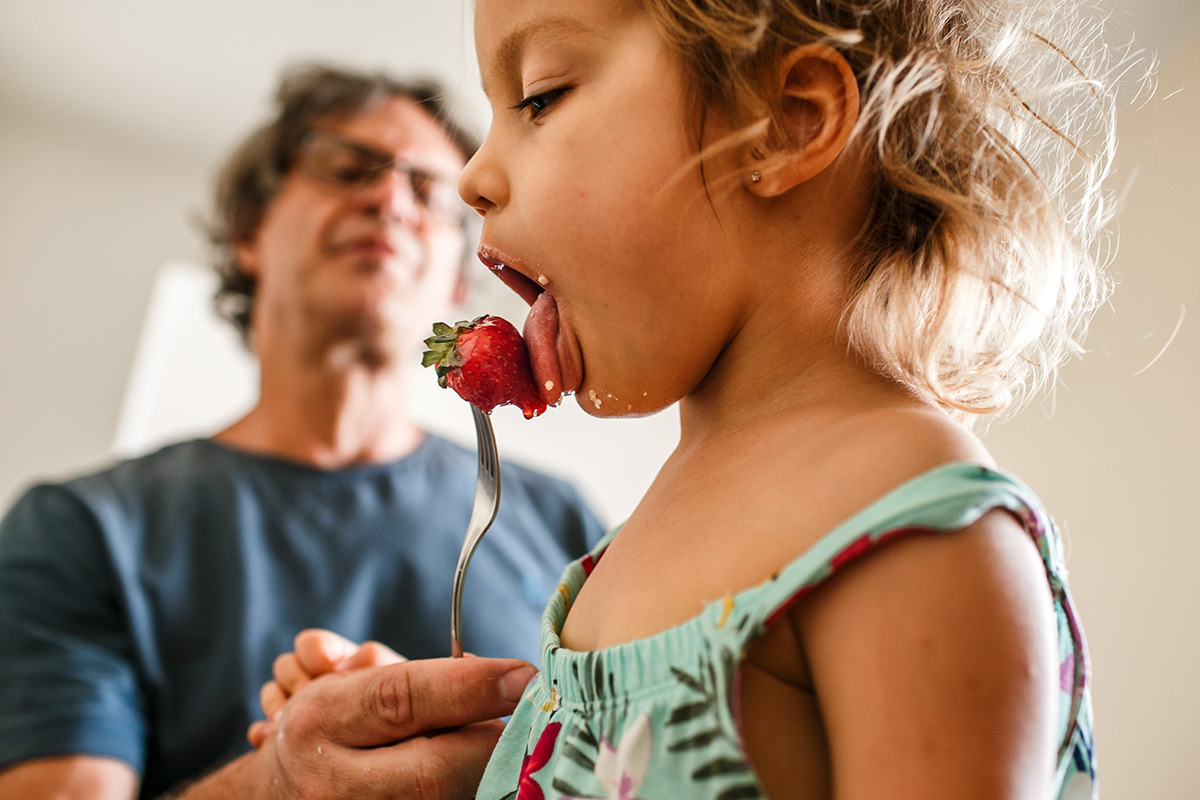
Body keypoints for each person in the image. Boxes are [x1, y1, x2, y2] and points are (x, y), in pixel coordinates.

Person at [257, 0, 1134, 797]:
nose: (473, 176)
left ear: (783, 126)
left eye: (540, 96)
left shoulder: (902, 515)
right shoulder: (621, 548)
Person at [0, 63, 605, 800]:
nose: (389, 199)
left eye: (426, 192)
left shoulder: (561, 521)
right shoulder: (81, 530)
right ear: (249, 232)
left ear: (456, 279)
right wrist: (272, 780)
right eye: (348, 168)